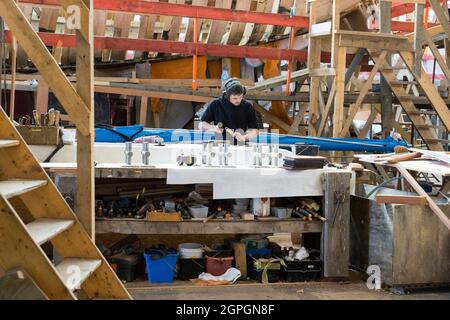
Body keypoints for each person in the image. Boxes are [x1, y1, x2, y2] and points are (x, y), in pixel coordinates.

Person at [198, 78, 259, 143]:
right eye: (234, 98)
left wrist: (244, 137)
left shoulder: (247, 106)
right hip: (220, 144)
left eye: (240, 97)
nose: (238, 100)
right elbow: (201, 125)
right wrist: (213, 127)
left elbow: (255, 130)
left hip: (240, 144)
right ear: (227, 95)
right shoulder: (216, 104)